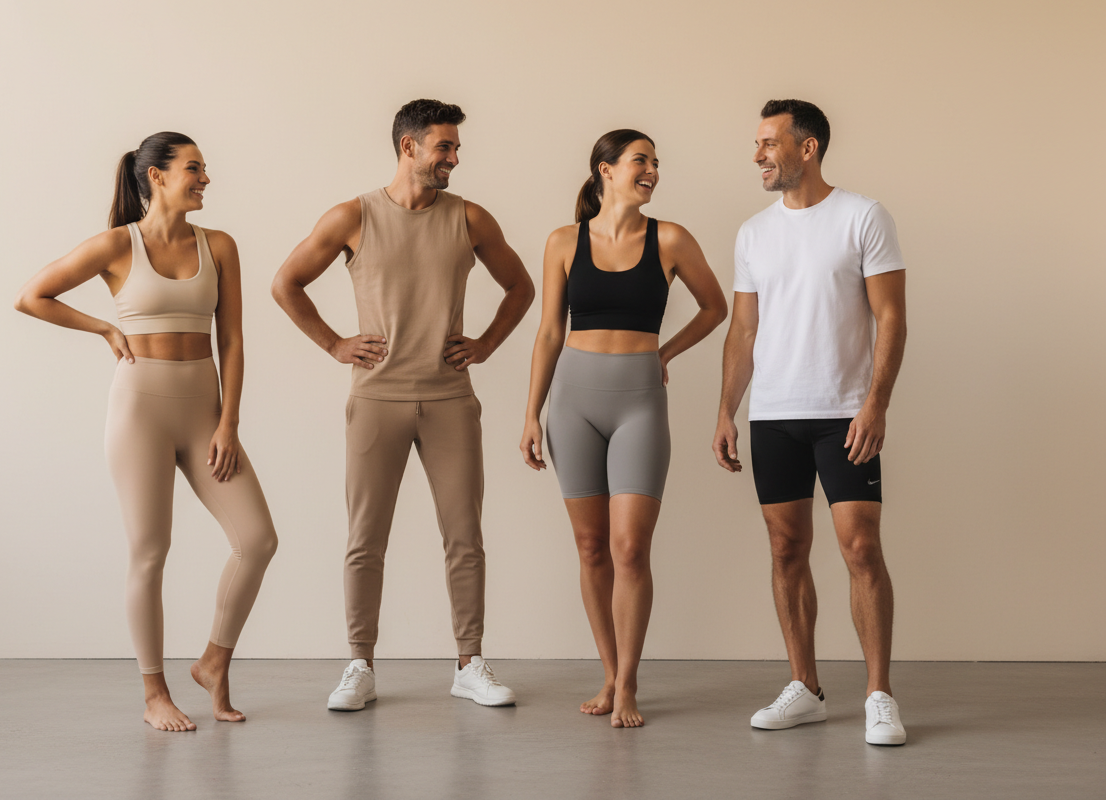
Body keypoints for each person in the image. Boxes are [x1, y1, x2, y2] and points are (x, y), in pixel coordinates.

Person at [272, 99, 535, 711]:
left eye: (456, 148)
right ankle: (359, 664)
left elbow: (521, 288)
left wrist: (486, 344)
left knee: (465, 536)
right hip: (376, 399)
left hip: (450, 399)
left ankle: (469, 664)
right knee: (366, 538)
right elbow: (286, 283)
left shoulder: (470, 218)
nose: (454, 158)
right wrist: (334, 343)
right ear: (408, 146)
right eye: (444, 147)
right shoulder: (353, 216)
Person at [15, 132, 278, 732]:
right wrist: (105, 329)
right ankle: (154, 693)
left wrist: (229, 422)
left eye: (204, 168)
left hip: (205, 411)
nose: (205, 178)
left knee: (257, 539)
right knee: (150, 552)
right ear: (156, 176)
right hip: (140, 411)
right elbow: (32, 296)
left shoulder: (220, 246)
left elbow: (233, 340)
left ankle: (214, 662)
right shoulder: (117, 244)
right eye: (194, 168)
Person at [712, 100, 909, 745]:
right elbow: (744, 330)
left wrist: (876, 403)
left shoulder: (863, 216)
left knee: (861, 548)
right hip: (773, 414)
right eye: (757, 144)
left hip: (843, 414)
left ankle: (879, 695)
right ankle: (806, 687)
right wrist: (726, 410)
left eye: (769, 143)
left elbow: (891, 316)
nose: (758, 155)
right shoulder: (753, 233)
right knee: (785, 549)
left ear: (808, 148)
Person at [520, 130, 727, 728]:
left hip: (639, 402)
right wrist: (531, 412)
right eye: (641, 160)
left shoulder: (671, 239)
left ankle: (631, 683)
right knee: (591, 548)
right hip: (572, 404)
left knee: (630, 548)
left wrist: (666, 353)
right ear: (605, 170)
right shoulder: (564, 242)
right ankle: (609, 675)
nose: (652, 170)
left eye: (656, 163)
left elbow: (715, 307)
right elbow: (549, 332)